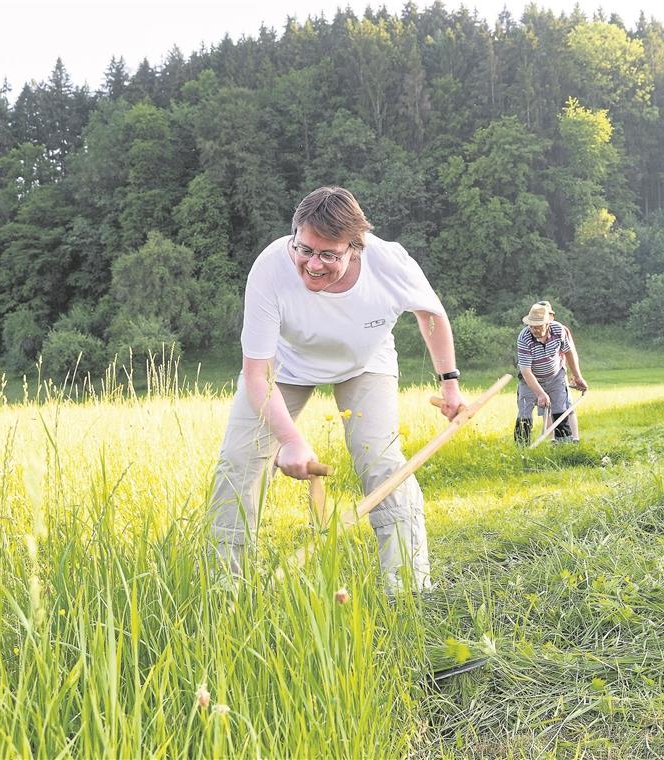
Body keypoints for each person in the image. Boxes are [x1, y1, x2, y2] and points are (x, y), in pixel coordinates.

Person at [208, 186, 465, 591]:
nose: (313, 264)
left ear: (355, 248)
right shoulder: (271, 268)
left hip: (365, 360)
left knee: (380, 458)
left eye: (329, 255)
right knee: (239, 461)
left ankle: (408, 586)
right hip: (287, 366)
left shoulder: (388, 261)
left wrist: (449, 383)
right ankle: (227, 587)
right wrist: (290, 440)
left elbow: (430, 315)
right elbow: (257, 374)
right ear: (293, 235)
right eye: (305, 249)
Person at [514, 301, 587, 445]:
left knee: (560, 410)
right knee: (524, 414)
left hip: (555, 377)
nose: (534, 329)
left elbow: (569, 352)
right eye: (531, 326)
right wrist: (540, 393)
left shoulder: (559, 330)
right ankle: (520, 449)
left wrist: (577, 376)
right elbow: (526, 370)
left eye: (538, 326)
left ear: (547, 323)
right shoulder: (524, 338)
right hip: (530, 381)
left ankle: (564, 447)